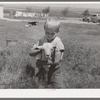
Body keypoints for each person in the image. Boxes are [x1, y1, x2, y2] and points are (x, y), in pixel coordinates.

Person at [29, 17, 65, 88]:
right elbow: (31, 53)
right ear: (44, 29)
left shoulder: (57, 43)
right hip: (42, 69)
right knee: (42, 86)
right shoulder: (42, 40)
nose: (49, 35)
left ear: (57, 31)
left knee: (56, 87)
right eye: (47, 32)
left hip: (54, 70)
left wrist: (41, 62)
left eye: (52, 33)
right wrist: (40, 49)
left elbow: (57, 61)